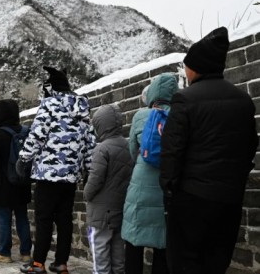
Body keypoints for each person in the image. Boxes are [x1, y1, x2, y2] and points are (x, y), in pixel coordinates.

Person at [160, 27, 258, 274]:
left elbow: (172, 153)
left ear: (196, 67)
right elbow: (249, 148)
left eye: (187, 66)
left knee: (185, 264)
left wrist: (170, 194)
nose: (185, 71)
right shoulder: (243, 101)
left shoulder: (184, 100)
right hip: (229, 199)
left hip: (191, 200)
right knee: (216, 263)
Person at [18, 67, 96, 274]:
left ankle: (38, 263)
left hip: (47, 172)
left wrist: (24, 157)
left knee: (44, 219)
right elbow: (90, 142)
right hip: (70, 175)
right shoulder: (82, 107)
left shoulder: (49, 104)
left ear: (51, 87)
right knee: (64, 219)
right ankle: (61, 263)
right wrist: (89, 168)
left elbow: (37, 134)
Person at [121, 73, 178, 274]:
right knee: (162, 245)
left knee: (134, 243)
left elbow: (132, 151)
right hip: (167, 189)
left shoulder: (140, 116)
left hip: (140, 189)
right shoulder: (179, 116)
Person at [84, 104, 134, 274]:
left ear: (100, 125)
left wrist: (86, 193)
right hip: (120, 209)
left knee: (100, 254)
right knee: (118, 255)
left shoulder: (102, 149)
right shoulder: (128, 146)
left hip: (100, 213)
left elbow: (95, 179)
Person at [0, 99, 32, 264]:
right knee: (22, 218)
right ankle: (26, 253)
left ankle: (4, 252)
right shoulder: (26, 131)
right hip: (22, 182)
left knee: (4, 219)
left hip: (2, 184)